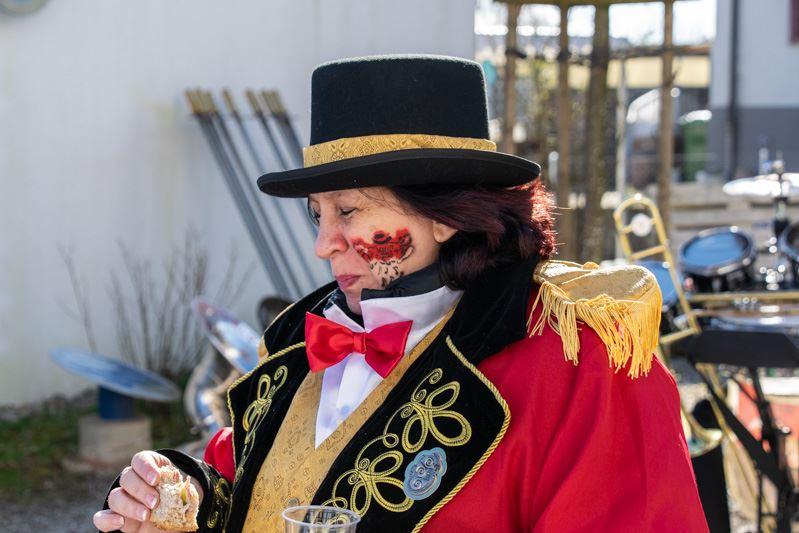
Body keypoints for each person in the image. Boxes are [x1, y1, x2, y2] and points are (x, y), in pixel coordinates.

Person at [94, 54, 708, 533]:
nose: (323, 244)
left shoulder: (581, 363)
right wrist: (181, 500)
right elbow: (247, 493)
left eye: (349, 211)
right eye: (317, 215)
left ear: (444, 216)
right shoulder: (298, 347)